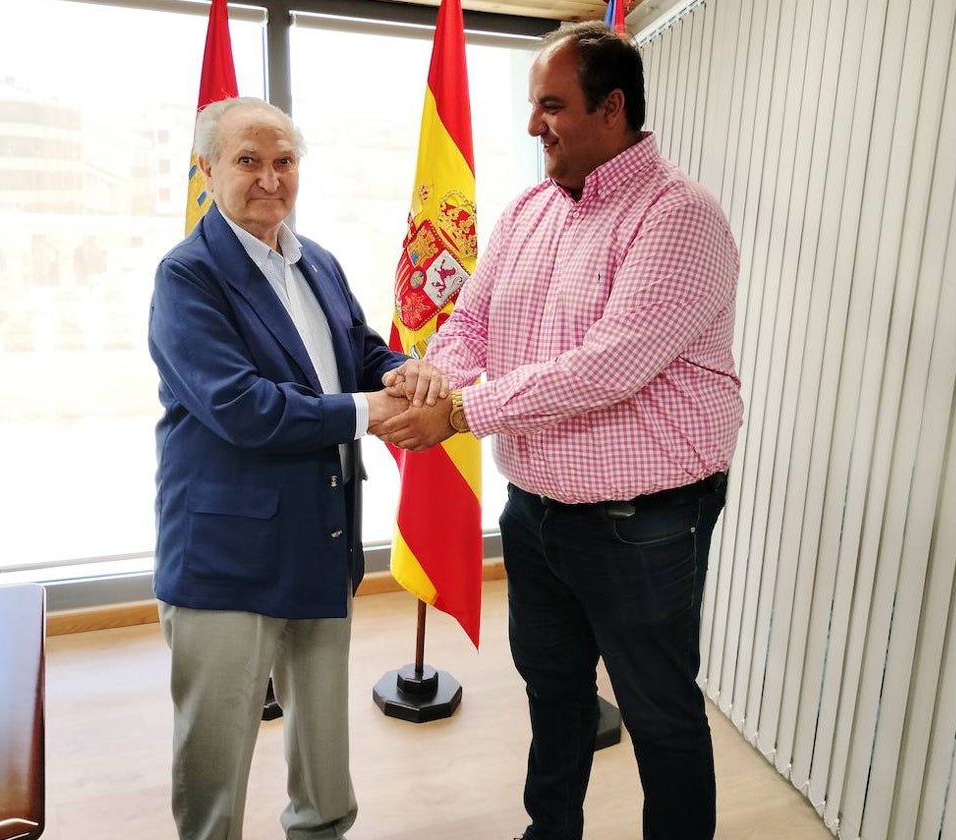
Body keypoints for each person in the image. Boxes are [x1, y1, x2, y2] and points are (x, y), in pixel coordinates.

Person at [379, 22, 741, 840]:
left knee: (659, 713)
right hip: (535, 513)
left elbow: (605, 367)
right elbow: (472, 322)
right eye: (532, 105)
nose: (535, 124)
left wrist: (460, 413)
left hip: (642, 524)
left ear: (612, 109)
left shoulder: (679, 218)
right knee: (554, 693)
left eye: (552, 105)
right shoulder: (529, 210)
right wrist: (433, 374)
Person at [148, 96, 442, 840]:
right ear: (209, 168)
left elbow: (363, 351)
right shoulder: (187, 278)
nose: (270, 179)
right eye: (248, 160)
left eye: (284, 161)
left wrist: (407, 372)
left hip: (321, 536)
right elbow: (244, 408)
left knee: (323, 754)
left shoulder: (316, 262)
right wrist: (369, 411)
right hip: (226, 557)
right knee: (215, 761)